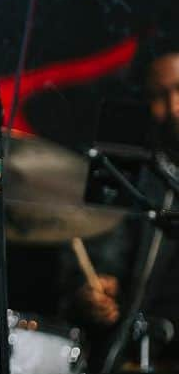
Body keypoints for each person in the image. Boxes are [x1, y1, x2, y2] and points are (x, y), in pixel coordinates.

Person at [71, 39, 179, 369]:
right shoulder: (134, 171)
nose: (173, 107)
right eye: (159, 96)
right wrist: (99, 286)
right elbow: (105, 245)